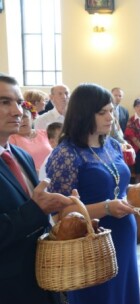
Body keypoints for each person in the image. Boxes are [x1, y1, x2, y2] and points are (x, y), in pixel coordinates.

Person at [46, 83, 140, 304]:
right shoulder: (66, 154)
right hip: (90, 241)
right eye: (102, 112)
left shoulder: (112, 146)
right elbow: (59, 212)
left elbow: (118, 186)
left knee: (124, 293)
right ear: (84, 114)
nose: (110, 117)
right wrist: (106, 207)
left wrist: (134, 195)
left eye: (111, 110)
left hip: (123, 232)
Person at [0, 74, 76, 304]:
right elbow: (30, 211)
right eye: (5, 102)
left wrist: (57, 206)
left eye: (19, 102)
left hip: (40, 279)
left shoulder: (20, 155)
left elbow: (33, 208)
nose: (18, 111)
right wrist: (36, 208)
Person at [9, 102, 52, 172]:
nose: (22, 121)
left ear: (32, 117)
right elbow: (15, 165)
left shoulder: (45, 133)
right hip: (31, 177)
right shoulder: (11, 139)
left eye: (25, 116)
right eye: (18, 117)